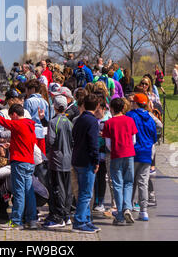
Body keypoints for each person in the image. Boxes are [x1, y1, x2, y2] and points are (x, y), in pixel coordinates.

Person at [0, 103, 38, 230]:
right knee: (29, 192)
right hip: (29, 162)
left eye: (11, 117)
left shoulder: (17, 124)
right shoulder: (29, 125)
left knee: (19, 193)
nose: (10, 119)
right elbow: (26, 141)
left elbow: (1, 121)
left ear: (14, 114)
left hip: (19, 162)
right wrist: (13, 145)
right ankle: (32, 220)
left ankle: (16, 221)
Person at [102, 97, 138, 226]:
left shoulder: (109, 123)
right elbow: (134, 140)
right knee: (129, 182)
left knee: (117, 184)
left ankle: (120, 213)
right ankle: (127, 207)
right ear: (123, 108)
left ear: (111, 109)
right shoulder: (130, 120)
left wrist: (115, 150)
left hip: (116, 155)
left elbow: (108, 144)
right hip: (129, 154)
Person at [42, 95, 73, 229]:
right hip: (69, 159)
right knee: (67, 189)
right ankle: (66, 215)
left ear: (54, 107)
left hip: (57, 160)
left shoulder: (53, 122)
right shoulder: (69, 122)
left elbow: (51, 141)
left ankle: (59, 216)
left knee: (57, 188)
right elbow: (72, 141)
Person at [71, 94, 101, 234]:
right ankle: (79, 221)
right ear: (97, 106)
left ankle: (86, 219)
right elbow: (93, 143)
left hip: (77, 158)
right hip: (87, 160)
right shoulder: (92, 121)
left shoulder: (79, 119)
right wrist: (96, 161)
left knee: (84, 192)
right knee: (86, 193)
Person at [126, 93, 158, 222]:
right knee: (143, 182)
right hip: (146, 152)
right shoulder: (150, 118)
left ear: (135, 103)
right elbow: (154, 135)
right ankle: (143, 211)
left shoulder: (130, 115)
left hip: (133, 151)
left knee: (130, 181)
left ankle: (128, 206)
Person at [24, 79, 49, 155]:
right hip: (41, 134)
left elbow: (26, 119)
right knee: (41, 158)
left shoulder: (28, 101)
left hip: (31, 133)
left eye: (28, 89)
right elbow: (47, 120)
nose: (26, 92)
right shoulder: (45, 102)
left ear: (32, 89)